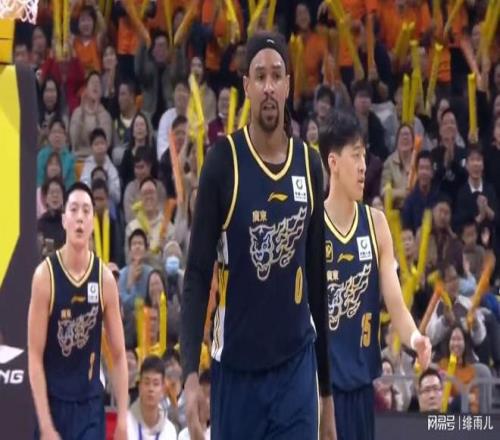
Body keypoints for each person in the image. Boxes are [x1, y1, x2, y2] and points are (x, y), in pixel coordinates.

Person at [180, 32, 335, 440]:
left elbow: (318, 281)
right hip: (236, 372)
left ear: (288, 85)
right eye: (260, 76)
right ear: (246, 86)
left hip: (295, 367)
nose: (268, 86)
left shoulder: (309, 165)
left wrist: (327, 394)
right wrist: (190, 377)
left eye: (277, 75)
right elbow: (197, 273)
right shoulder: (222, 162)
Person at [319, 109, 431, 440]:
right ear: (333, 162)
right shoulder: (311, 226)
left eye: (364, 156)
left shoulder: (377, 224)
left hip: (362, 387)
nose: (363, 166)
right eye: (355, 156)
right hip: (319, 389)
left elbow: (395, 302)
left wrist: (415, 338)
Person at [28, 182, 128, 439]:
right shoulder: (45, 277)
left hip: (89, 405)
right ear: (64, 220)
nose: (80, 217)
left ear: (93, 222)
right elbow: (34, 356)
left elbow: (118, 355)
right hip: (53, 402)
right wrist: (46, 425)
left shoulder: (104, 279)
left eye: (86, 210)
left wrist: (123, 419)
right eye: (73, 210)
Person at [127, 356, 177, 440]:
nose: (151, 389)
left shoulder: (169, 430)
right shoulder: (126, 423)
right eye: (147, 383)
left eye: (156, 384)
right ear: (139, 386)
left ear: (163, 389)